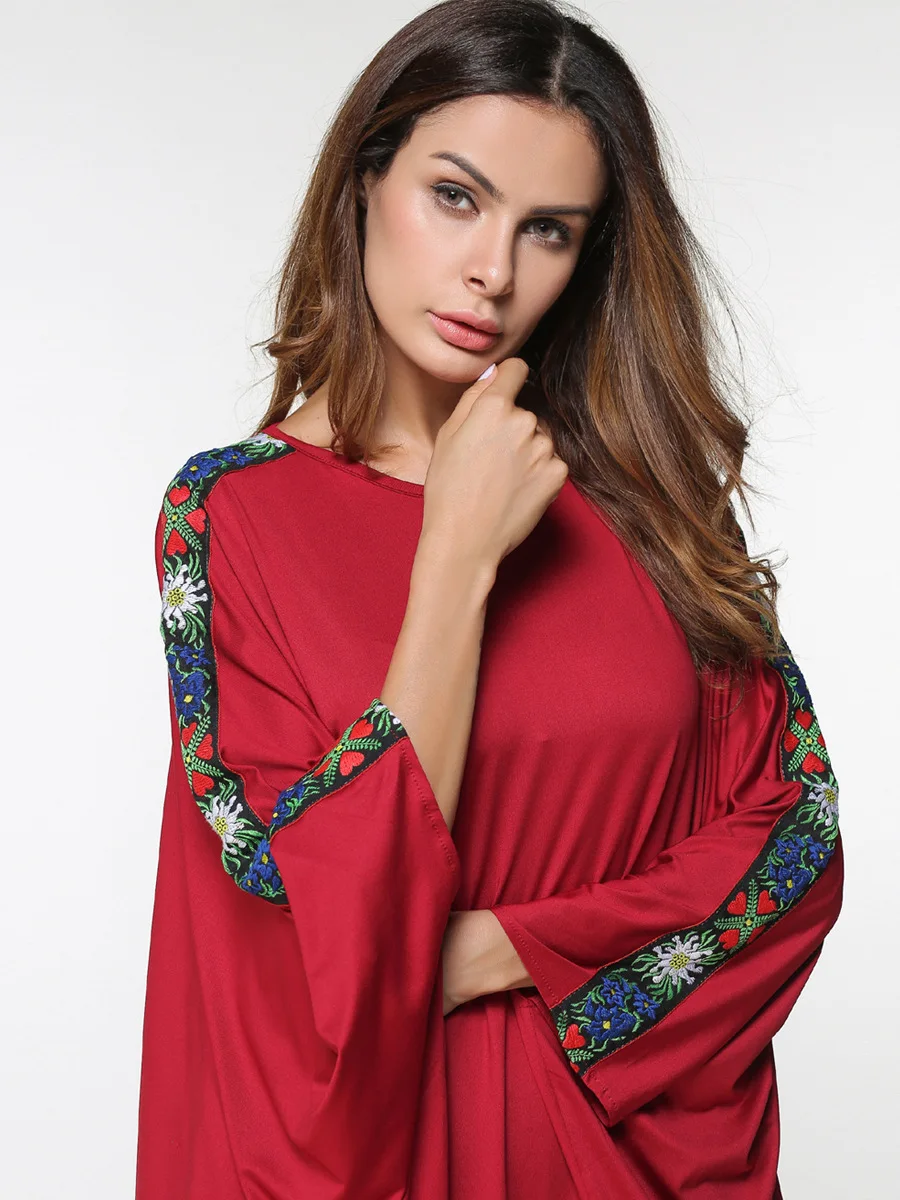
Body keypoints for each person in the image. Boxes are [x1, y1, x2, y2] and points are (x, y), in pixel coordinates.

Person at [135, 1, 843, 1196]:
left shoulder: (651, 505)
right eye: (455, 197)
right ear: (366, 178)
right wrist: (456, 555)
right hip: (403, 1156)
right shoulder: (228, 518)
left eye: (549, 230)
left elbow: (794, 835)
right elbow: (291, 911)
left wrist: (507, 948)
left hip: (627, 1160)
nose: (495, 273)